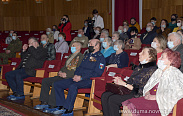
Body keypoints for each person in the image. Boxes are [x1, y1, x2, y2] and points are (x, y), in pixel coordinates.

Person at [50, 39, 106, 115]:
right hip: (78, 78)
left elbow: (97, 73)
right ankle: (61, 105)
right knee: (57, 84)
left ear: (97, 46)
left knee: (73, 86)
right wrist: (75, 75)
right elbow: (79, 67)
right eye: (89, 43)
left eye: (91, 43)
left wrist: (81, 77)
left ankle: (68, 109)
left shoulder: (100, 58)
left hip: (89, 80)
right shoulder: (87, 56)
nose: (89, 45)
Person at [122, 48, 183, 116]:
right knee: (127, 105)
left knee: (132, 108)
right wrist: (147, 92)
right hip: (149, 98)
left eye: (162, 57)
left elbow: (178, 92)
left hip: (161, 103)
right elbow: (149, 85)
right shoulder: (159, 71)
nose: (159, 58)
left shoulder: (175, 73)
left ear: (170, 60)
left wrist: (156, 97)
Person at [101, 47, 157, 116]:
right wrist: (121, 81)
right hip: (129, 90)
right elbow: (130, 81)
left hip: (138, 95)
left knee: (112, 99)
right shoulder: (139, 67)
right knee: (105, 95)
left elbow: (141, 90)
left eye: (143, 53)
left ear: (150, 57)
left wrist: (124, 84)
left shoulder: (152, 70)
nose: (139, 53)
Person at [34, 42, 84, 111]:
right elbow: (64, 67)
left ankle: (53, 105)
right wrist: (60, 72)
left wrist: (67, 75)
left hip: (70, 77)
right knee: (45, 81)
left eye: (73, 45)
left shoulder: (81, 57)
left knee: (56, 83)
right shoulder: (70, 56)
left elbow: (78, 69)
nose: (71, 47)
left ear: (78, 47)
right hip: (63, 75)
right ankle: (44, 101)